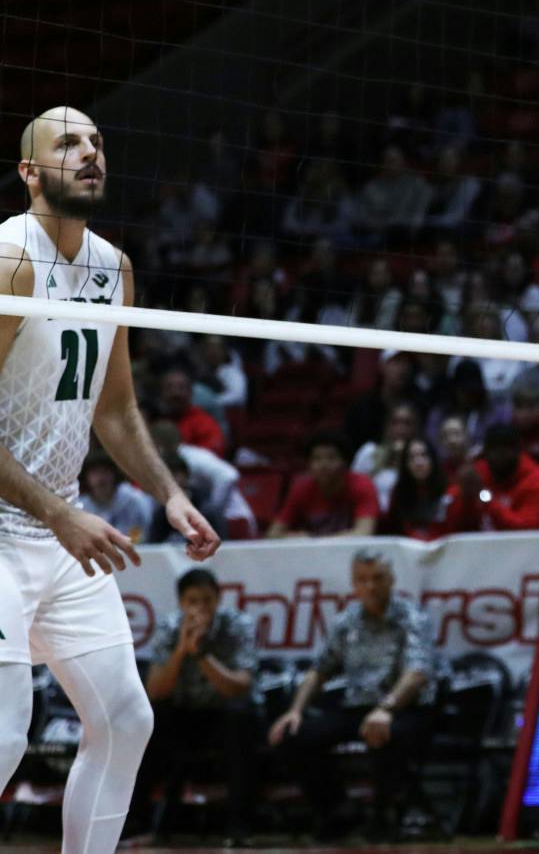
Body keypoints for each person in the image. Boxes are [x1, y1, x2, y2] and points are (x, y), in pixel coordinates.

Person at [2, 107, 220, 854]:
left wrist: (170, 492)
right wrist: (63, 513)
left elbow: (117, 407)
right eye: (68, 143)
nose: (89, 152)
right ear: (29, 172)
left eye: (97, 142)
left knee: (127, 717)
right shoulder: (9, 257)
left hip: (57, 535)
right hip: (4, 530)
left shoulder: (113, 266)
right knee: (4, 735)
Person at [268, 550, 439, 841]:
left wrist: (386, 708)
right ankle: (338, 810)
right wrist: (295, 710)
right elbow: (319, 671)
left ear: (391, 580)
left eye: (377, 578)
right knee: (294, 735)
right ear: (353, 583)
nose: (370, 586)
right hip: (358, 705)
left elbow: (417, 673)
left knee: (384, 733)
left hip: (406, 708)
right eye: (362, 579)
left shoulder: (412, 618)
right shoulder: (346, 621)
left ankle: (382, 817)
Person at [133, 568, 260, 844]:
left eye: (207, 600)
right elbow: (155, 690)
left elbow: (240, 687)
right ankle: (138, 824)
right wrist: (181, 650)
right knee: (147, 719)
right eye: (193, 601)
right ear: (181, 603)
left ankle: (239, 826)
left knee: (240, 717)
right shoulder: (169, 627)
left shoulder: (238, 625)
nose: (200, 607)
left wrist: (201, 654)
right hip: (184, 714)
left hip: (225, 714)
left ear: (218, 599)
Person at [443, 420, 539, 532]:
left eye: (504, 450)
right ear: (485, 453)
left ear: (518, 451)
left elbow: (525, 530)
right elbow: (450, 517)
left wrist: (484, 497)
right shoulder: (478, 471)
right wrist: (465, 497)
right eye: (493, 451)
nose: (497, 457)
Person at [269, 431, 381, 537]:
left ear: (345, 463)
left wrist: (316, 540)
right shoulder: (301, 489)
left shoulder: (362, 485)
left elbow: (364, 533)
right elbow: (273, 534)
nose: (323, 465)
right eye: (317, 459)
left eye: (331, 458)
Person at [379, 435, 452, 540]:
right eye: (412, 457)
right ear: (405, 464)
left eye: (424, 455)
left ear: (433, 459)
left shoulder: (450, 491)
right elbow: (392, 530)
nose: (419, 462)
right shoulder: (398, 492)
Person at [77, 453, 153, 542]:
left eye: (105, 471)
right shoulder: (81, 505)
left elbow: (142, 536)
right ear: (86, 477)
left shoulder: (133, 500)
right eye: (95, 472)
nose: (100, 479)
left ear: (114, 474)